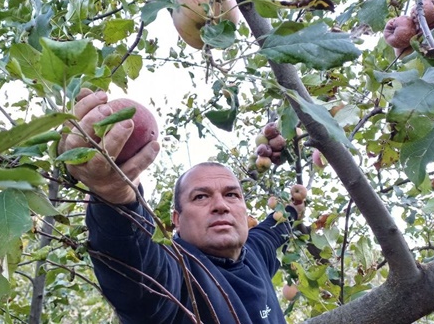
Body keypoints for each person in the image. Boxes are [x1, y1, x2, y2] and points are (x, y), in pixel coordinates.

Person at [59, 89, 305, 324]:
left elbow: (273, 228)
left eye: (231, 195)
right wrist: (116, 197)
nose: (221, 205)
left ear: (244, 208)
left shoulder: (254, 253)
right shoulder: (179, 271)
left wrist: (294, 209)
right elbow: (140, 272)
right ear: (177, 219)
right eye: (200, 197)